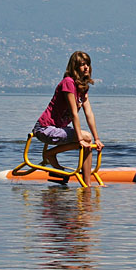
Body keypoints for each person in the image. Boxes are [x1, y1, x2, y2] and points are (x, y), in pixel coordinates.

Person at [33, 51, 104, 185]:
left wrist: (98, 139)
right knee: (86, 138)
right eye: (82, 65)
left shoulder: (82, 88)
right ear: (75, 67)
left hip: (58, 129)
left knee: (88, 141)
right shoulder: (68, 83)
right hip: (44, 129)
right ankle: (50, 154)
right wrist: (80, 138)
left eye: (87, 64)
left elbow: (89, 114)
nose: (86, 67)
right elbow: (73, 113)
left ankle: (87, 184)